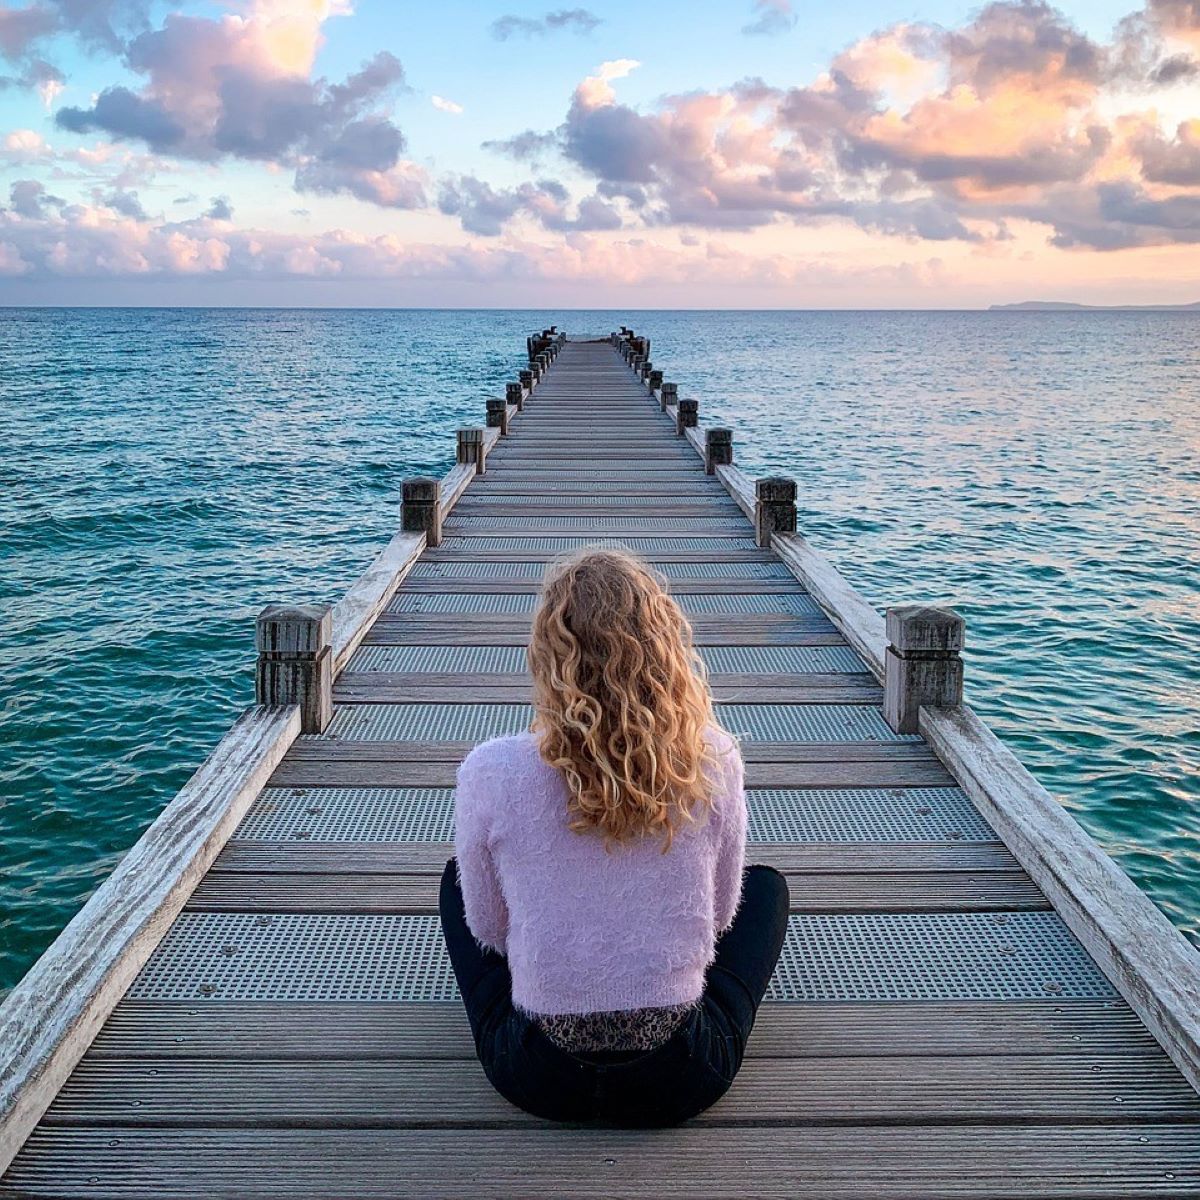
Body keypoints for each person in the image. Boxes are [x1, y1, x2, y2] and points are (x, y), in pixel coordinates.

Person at [438, 547, 789, 1126]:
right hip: (681, 1076)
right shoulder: (714, 759)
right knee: (767, 890)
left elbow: (490, 932)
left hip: (536, 1075)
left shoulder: (491, 770)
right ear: (665, 652)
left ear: (548, 657)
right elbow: (722, 916)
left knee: (457, 880)